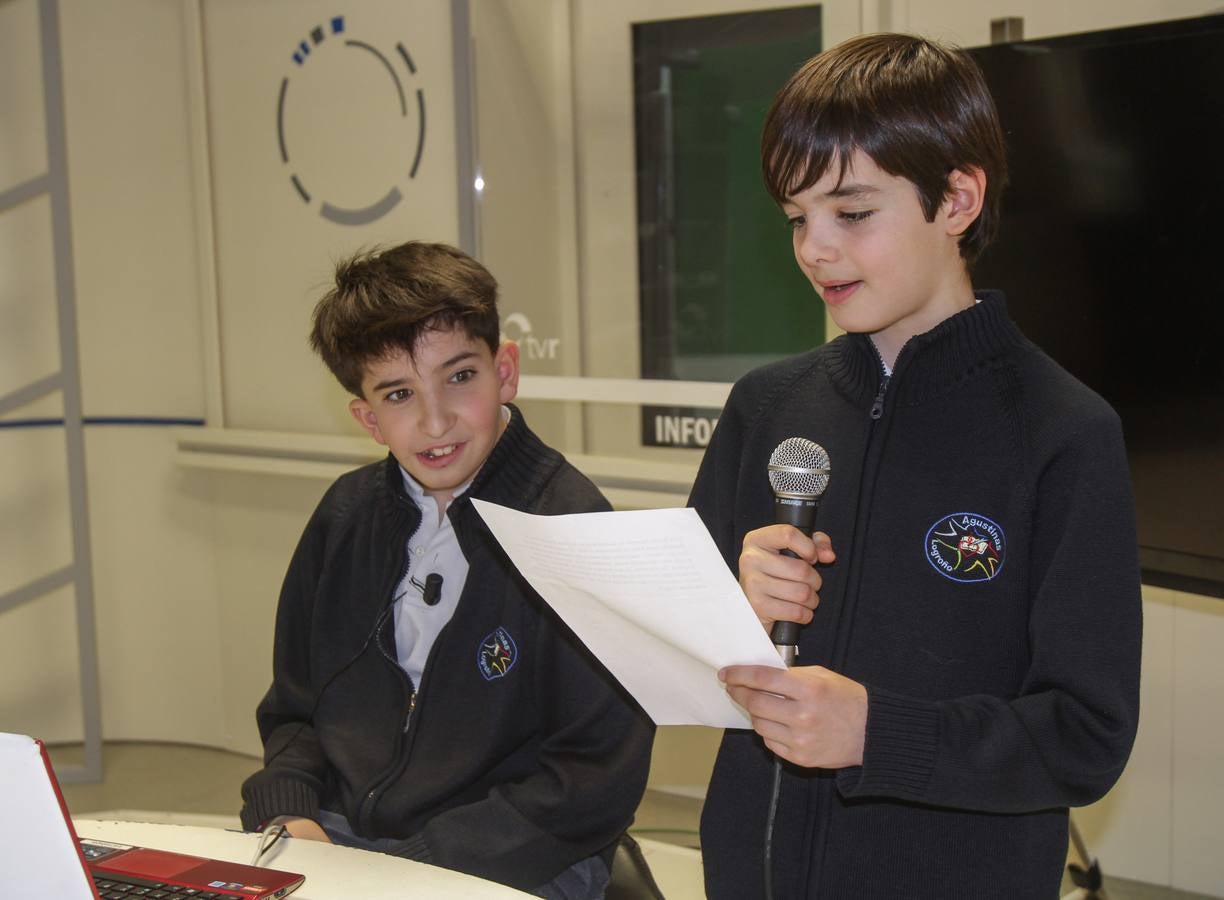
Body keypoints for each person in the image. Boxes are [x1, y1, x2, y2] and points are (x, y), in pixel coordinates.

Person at [690, 33, 1141, 898]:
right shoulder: (766, 408)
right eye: (797, 218)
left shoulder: (1065, 433)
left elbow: (1085, 736)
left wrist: (876, 733)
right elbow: (679, 666)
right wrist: (727, 605)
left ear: (958, 198)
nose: (815, 249)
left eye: (851, 212)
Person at [240, 241, 654, 899]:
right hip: (346, 836)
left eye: (460, 377)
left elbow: (592, 779)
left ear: (506, 371)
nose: (435, 421)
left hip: (523, 855)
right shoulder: (344, 517)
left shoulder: (575, 527)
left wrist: (414, 869)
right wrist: (290, 808)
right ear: (368, 418)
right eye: (400, 394)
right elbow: (296, 711)